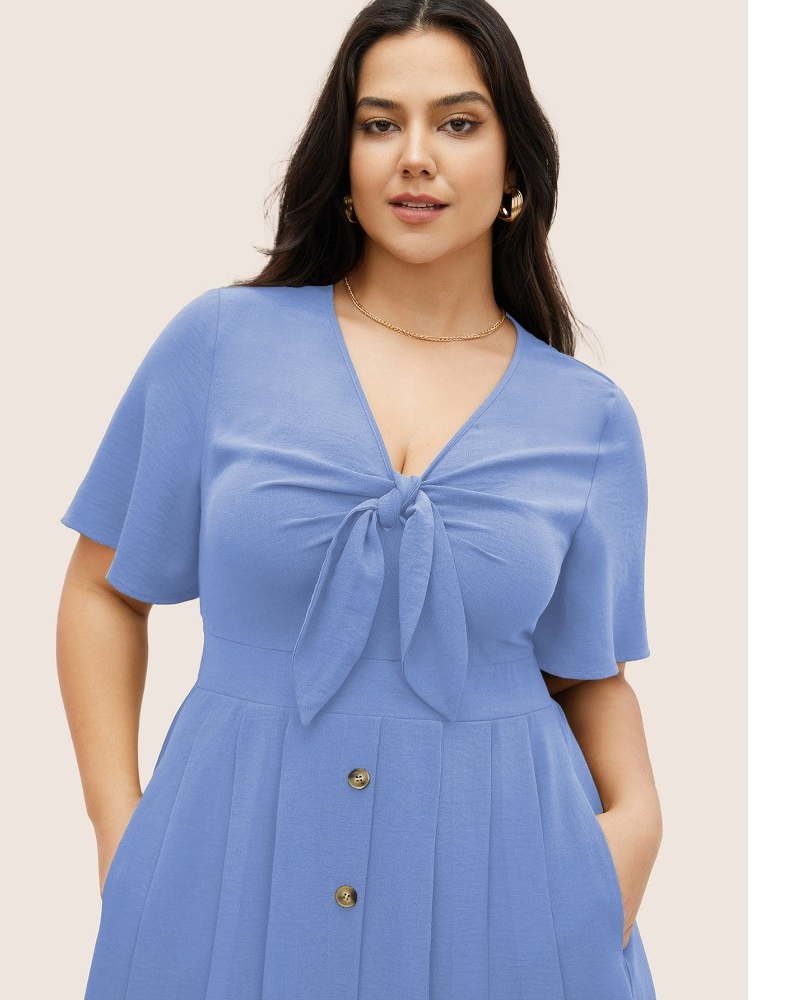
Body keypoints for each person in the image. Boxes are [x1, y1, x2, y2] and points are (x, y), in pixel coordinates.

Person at [56, 1, 663, 997]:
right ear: (342, 160)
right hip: (228, 870)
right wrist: (121, 832)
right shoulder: (221, 344)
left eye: (457, 123)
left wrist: (634, 824)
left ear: (514, 165)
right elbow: (101, 590)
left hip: (509, 889)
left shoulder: (589, 418)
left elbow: (589, 674)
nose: (415, 156)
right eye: (380, 123)